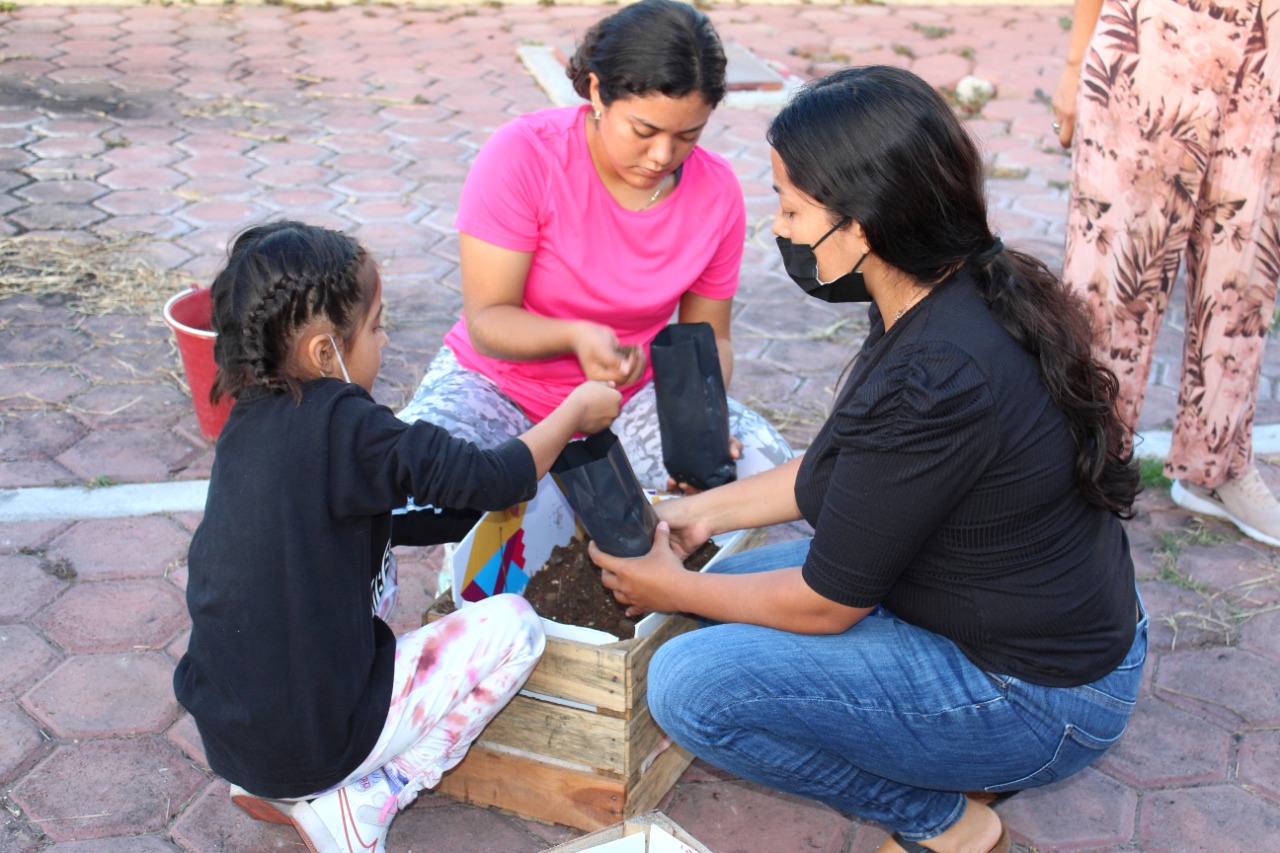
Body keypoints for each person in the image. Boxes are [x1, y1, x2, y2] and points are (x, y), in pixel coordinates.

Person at [589, 67, 1147, 853]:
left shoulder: (941, 371)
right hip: (1020, 625)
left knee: (691, 683)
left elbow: (827, 603)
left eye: (791, 207)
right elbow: (844, 466)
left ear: (863, 228)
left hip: (1038, 696)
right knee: (712, 600)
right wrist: (697, 514)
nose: (778, 228)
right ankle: (946, 751)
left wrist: (671, 582)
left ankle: (946, 822)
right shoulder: (952, 287)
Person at [172, 221, 620, 853]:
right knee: (515, 627)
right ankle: (371, 795)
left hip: (234, 737)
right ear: (326, 353)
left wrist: (485, 510)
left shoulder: (250, 417)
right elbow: (494, 477)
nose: (384, 341)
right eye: (378, 327)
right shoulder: (351, 424)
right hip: (317, 740)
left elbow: (400, 516)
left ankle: (285, 789)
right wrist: (572, 412)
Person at [396, 0, 793, 492]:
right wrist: (576, 336)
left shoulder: (717, 193)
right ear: (598, 91)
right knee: (410, 477)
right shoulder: (525, 155)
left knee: (761, 469)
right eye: (643, 131)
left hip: (630, 398)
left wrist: (699, 429)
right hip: (497, 389)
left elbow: (710, 341)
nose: (662, 156)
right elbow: (487, 321)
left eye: (688, 136)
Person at [1052, 0, 1280, 545]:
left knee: (1243, 275)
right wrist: (1074, 61)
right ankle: (1083, 469)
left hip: (1266, 51)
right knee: (1112, 280)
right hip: (1154, 42)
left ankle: (1216, 465)